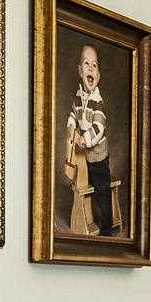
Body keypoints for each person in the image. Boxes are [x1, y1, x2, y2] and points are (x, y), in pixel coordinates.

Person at [63, 43, 115, 235]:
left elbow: (98, 128)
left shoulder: (97, 101)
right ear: (80, 71)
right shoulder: (78, 96)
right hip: (85, 155)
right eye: (87, 64)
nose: (91, 68)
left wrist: (84, 139)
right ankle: (84, 216)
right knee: (84, 181)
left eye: (94, 65)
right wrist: (70, 125)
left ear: (98, 75)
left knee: (102, 190)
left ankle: (107, 227)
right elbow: (73, 113)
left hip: (98, 155)